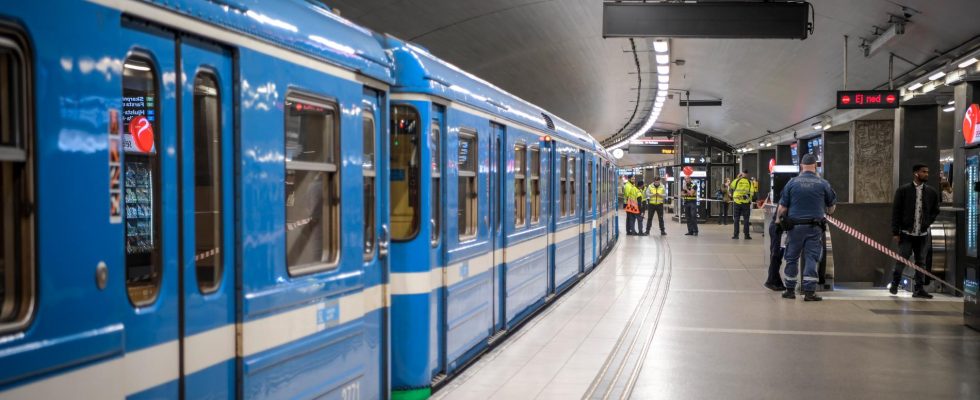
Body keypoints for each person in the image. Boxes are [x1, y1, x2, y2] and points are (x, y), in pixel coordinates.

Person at [778, 153, 836, 302]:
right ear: (815, 166)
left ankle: (790, 290)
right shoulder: (823, 183)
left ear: (802, 166)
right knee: (812, 258)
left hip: (794, 228)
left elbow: (782, 208)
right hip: (814, 228)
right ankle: (809, 292)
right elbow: (831, 208)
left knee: (791, 258)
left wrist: (779, 222)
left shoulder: (792, 183)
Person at [890, 164, 940, 299]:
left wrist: (928, 222)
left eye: (927, 171)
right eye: (923, 172)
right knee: (902, 259)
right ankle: (895, 283)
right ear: (916, 173)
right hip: (906, 233)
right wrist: (896, 232)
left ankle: (919, 289)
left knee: (921, 261)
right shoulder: (903, 190)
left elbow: (936, 210)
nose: (926, 174)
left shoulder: (931, 192)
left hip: (922, 234)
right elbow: (896, 211)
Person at [764, 210, 787, 291]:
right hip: (778, 228)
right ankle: (771, 281)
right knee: (776, 255)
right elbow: (782, 208)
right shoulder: (786, 197)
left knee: (777, 256)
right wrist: (778, 221)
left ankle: (776, 280)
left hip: (779, 228)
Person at [730, 171, 753, 240]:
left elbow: (731, 186)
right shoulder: (749, 182)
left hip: (737, 202)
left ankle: (736, 235)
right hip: (746, 203)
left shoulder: (737, 181)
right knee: (746, 219)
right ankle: (746, 235)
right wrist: (748, 199)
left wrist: (737, 178)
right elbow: (752, 193)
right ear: (746, 175)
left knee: (736, 219)